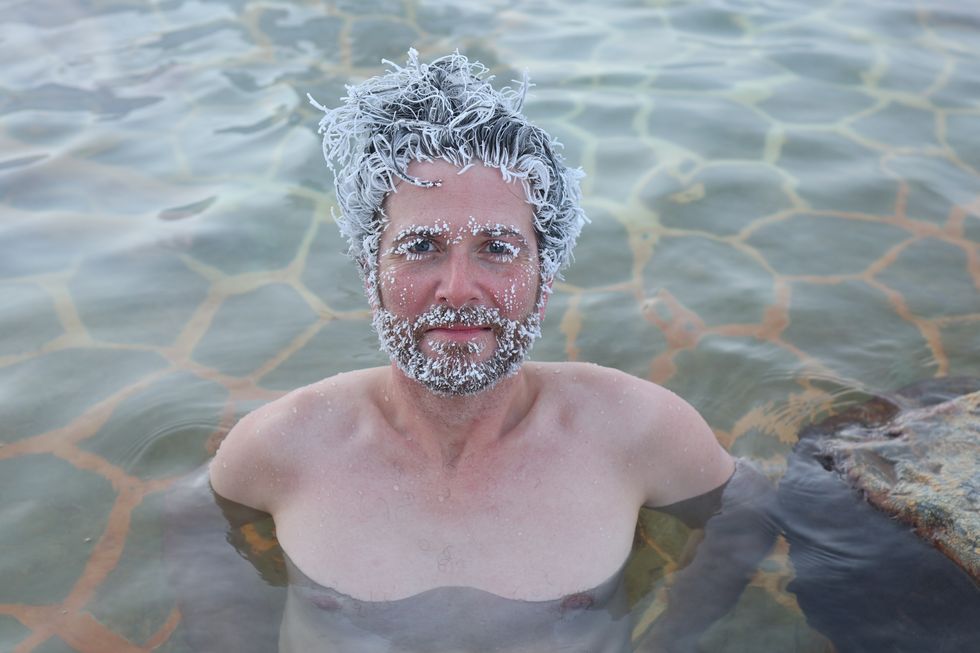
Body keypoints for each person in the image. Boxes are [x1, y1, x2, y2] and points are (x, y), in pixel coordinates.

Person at [174, 50, 774, 653]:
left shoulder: (638, 432)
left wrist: (671, 639)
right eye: (421, 246)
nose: (458, 288)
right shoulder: (278, 448)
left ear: (545, 277)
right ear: (369, 271)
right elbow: (197, 534)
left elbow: (745, 514)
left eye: (497, 248)